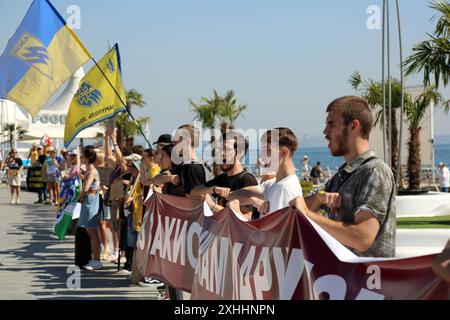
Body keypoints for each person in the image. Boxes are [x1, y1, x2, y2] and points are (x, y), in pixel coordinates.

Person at [289, 96, 396, 258]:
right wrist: (319, 199)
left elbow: (363, 238)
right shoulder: (343, 174)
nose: (325, 132)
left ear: (354, 126)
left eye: (332, 125)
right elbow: (299, 207)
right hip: (341, 280)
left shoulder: (375, 171)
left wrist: (308, 214)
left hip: (366, 281)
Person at [226, 128, 303, 218]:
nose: (261, 156)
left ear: (284, 152)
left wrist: (236, 212)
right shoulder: (272, 183)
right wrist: (254, 201)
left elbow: (270, 232)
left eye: (267, 150)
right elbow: (231, 196)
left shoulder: (284, 188)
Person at [190, 131, 258, 219]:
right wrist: (213, 190)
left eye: (226, 149)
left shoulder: (246, 180)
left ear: (240, 153)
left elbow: (246, 218)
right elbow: (194, 191)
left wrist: (213, 206)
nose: (221, 153)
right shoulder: (223, 178)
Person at [78, 146, 102, 271]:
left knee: (92, 232)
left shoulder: (92, 171)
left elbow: (86, 188)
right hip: (90, 202)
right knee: (91, 231)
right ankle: (95, 258)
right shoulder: (91, 171)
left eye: (82, 156)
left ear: (87, 158)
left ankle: (97, 260)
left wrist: (80, 196)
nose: (81, 158)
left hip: (90, 203)